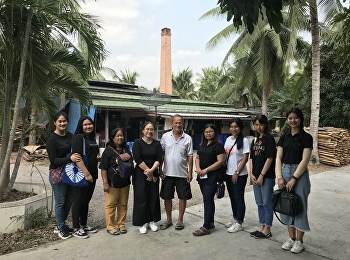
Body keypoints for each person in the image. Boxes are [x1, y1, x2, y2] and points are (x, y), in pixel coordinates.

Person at [276, 107, 313, 254]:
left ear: (300, 119)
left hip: (300, 173)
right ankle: (291, 238)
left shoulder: (306, 137)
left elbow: (305, 160)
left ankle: (299, 241)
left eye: (295, 117)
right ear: (287, 120)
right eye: (290, 118)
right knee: (286, 204)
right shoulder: (284, 137)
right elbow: (278, 157)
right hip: (284, 170)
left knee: (299, 205)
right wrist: (279, 176)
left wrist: (294, 178)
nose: (293, 120)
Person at [46, 111, 81, 239]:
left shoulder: (71, 136)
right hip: (57, 173)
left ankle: (60, 224)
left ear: (67, 122)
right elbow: (53, 160)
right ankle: (61, 228)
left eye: (64, 121)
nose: (62, 123)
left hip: (70, 173)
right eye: (59, 121)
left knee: (70, 200)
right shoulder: (52, 140)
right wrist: (69, 159)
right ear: (55, 122)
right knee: (60, 202)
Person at [159, 114, 193, 230]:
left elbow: (190, 156)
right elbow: (162, 154)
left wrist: (189, 172)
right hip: (168, 173)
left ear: (183, 124)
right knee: (167, 197)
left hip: (182, 174)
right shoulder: (165, 137)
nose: (178, 124)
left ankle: (180, 220)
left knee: (182, 197)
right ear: (172, 124)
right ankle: (168, 219)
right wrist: (160, 169)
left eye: (180, 122)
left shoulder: (188, 138)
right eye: (176, 122)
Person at [192, 124, 225, 236]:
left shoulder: (218, 146)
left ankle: (206, 227)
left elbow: (220, 161)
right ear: (204, 133)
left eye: (211, 131)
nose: (208, 133)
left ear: (215, 133)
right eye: (206, 132)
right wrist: (198, 168)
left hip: (212, 177)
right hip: (202, 177)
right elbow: (197, 158)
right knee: (208, 200)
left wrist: (206, 170)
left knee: (207, 200)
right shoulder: (202, 145)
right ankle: (210, 222)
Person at [71, 116, 100, 238]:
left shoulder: (92, 138)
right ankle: (76, 228)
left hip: (93, 174)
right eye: (85, 124)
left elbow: (92, 154)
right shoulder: (79, 138)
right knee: (78, 201)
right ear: (81, 126)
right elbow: (77, 158)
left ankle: (83, 225)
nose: (88, 126)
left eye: (90, 124)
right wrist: (86, 174)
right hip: (83, 174)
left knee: (86, 201)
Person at [100, 128, 132, 235]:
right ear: (113, 138)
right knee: (111, 205)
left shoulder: (126, 148)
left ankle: (121, 224)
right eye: (117, 136)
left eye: (121, 135)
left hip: (125, 182)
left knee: (123, 204)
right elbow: (103, 168)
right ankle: (110, 226)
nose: (120, 138)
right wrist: (105, 183)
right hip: (112, 183)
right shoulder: (108, 151)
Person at [249, 115, 276, 239]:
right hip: (255, 177)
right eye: (256, 125)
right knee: (259, 203)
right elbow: (251, 158)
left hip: (266, 177)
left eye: (261, 124)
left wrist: (261, 175)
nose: (258, 127)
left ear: (265, 125)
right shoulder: (255, 140)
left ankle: (267, 229)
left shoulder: (269, 139)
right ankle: (261, 226)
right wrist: (252, 174)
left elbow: (270, 158)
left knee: (267, 203)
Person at [132, 122, 162, 234]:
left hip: (153, 171)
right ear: (143, 130)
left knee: (153, 197)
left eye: (152, 129)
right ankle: (143, 222)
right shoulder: (137, 143)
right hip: (140, 173)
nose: (150, 131)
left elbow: (159, 159)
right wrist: (148, 173)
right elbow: (137, 158)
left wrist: (152, 171)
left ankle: (152, 220)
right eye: (147, 129)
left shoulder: (157, 144)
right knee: (141, 197)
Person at [224, 118, 250, 233]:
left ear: (240, 128)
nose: (233, 129)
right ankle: (235, 218)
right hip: (228, 174)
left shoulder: (244, 141)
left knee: (239, 198)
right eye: (232, 126)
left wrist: (237, 172)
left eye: (236, 126)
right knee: (232, 197)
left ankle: (239, 222)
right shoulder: (228, 139)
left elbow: (245, 158)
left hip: (239, 174)